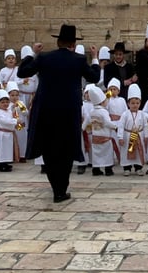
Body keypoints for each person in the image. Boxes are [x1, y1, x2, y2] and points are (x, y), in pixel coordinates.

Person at [18, 24, 102, 203]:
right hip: (68, 111)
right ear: (73, 44)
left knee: (49, 149)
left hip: (46, 110)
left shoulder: (44, 57)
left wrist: (32, 53)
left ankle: (56, 187)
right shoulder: (78, 60)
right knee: (65, 149)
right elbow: (94, 77)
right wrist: (95, 58)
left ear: (58, 42)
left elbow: (22, 71)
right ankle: (61, 189)